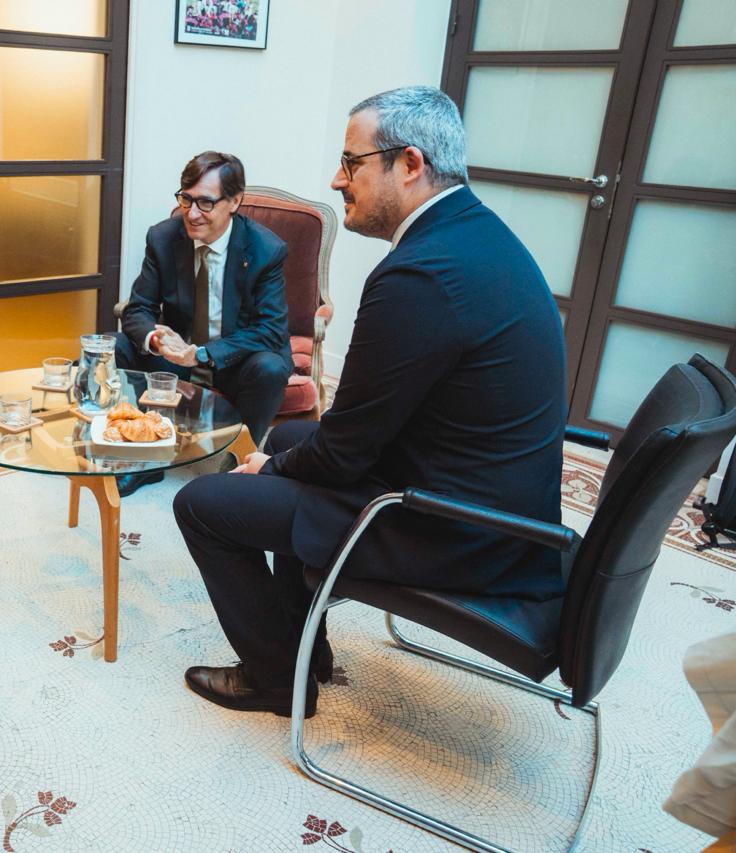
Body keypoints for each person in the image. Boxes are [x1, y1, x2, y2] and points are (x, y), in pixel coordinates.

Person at [173, 86, 567, 717]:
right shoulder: (476, 234)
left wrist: (267, 472)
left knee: (205, 502)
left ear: (409, 164)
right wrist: (281, 460)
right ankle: (305, 646)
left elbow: (346, 450)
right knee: (286, 438)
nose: (336, 180)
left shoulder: (420, 275)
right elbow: (350, 437)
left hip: (455, 528)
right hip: (492, 498)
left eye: (351, 162)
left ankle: (278, 682)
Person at [115, 150, 292, 496]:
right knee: (120, 343)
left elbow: (271, 330)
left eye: (205, 203)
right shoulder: (163, 238)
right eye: (186, 199)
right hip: (176, 357)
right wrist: (155, 339)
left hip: (233, 359)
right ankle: (145, 456)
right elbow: (137, 309)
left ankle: (236, 461)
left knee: (271, 367)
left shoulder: (265, 250)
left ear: (234, 201)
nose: (192, 213)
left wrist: (203, 354)